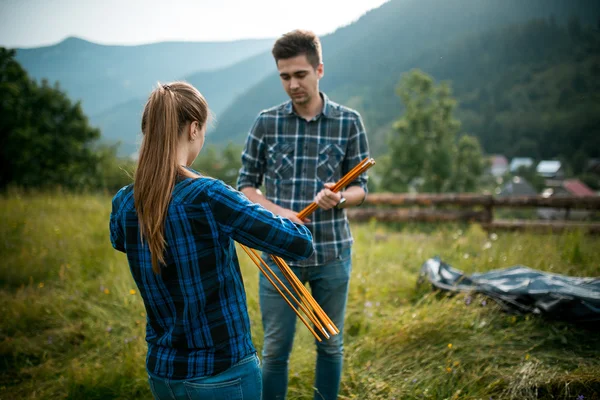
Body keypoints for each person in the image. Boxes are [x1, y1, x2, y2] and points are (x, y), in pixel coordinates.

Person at [109, 81, 315, 400]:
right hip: (222, 372)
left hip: (163, 374)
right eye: (202, 130)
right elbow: (299, 243)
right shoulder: (208, 195)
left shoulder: (124, 202)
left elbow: (120, 241)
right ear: (193, 129)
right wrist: (281, 216)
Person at [237, 30, 370, 400]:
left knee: (329, 346)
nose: (292, 84)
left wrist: (340, 197)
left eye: (300, 74)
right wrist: (281, 214)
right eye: (284, 76)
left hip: (332, 254)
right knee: (275, 351)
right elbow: (245, 186)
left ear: (319, 69)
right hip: (279, 256)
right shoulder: (266, 122)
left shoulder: (349, 122)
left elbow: (362, 189)